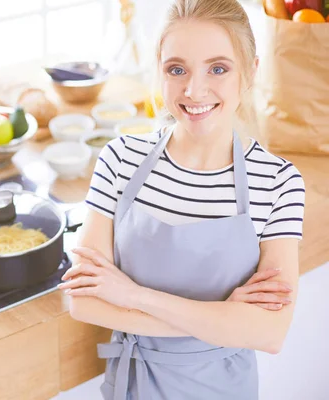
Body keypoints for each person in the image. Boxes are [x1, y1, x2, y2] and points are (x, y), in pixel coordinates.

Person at [57, 0, 306, 399]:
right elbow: (84, 303)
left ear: (250, 72)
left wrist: (133, 296)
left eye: (218, 69)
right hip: (133, 387)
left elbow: (269, 332)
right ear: (160, 71)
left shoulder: (278, 182)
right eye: (177, 70)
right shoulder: (120, 159)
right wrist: (225, 318)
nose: (194, 90)